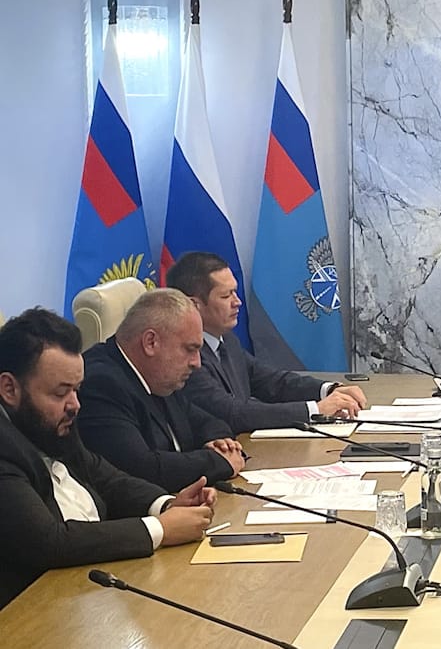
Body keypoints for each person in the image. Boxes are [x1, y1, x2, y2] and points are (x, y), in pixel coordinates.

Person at [0, 309, 215, 609]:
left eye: (76, 390)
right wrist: (160, 529)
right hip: (32, 611)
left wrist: (168, 505)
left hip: (90, 592)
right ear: (9, 389)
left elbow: (107, 479)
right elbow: (48, 542)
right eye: (61, 393)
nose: (75, 405)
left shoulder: (51, 423)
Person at [166, 252, 367, 433]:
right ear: (195, 305)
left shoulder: (227, 340)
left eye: (235, 292)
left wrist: (328, 390)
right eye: (226, 295)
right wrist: (316, 410)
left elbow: (272, 382)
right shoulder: (186, 357)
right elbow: (232, 413)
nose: (237, 302)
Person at [77, 289, 245, 491]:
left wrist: (219, 442)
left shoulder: (158, 375)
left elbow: (209, 422)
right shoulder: (100, 384)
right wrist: (217, 462)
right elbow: (141, 469)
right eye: (190, 349)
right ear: (151, 342)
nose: (197, 363)